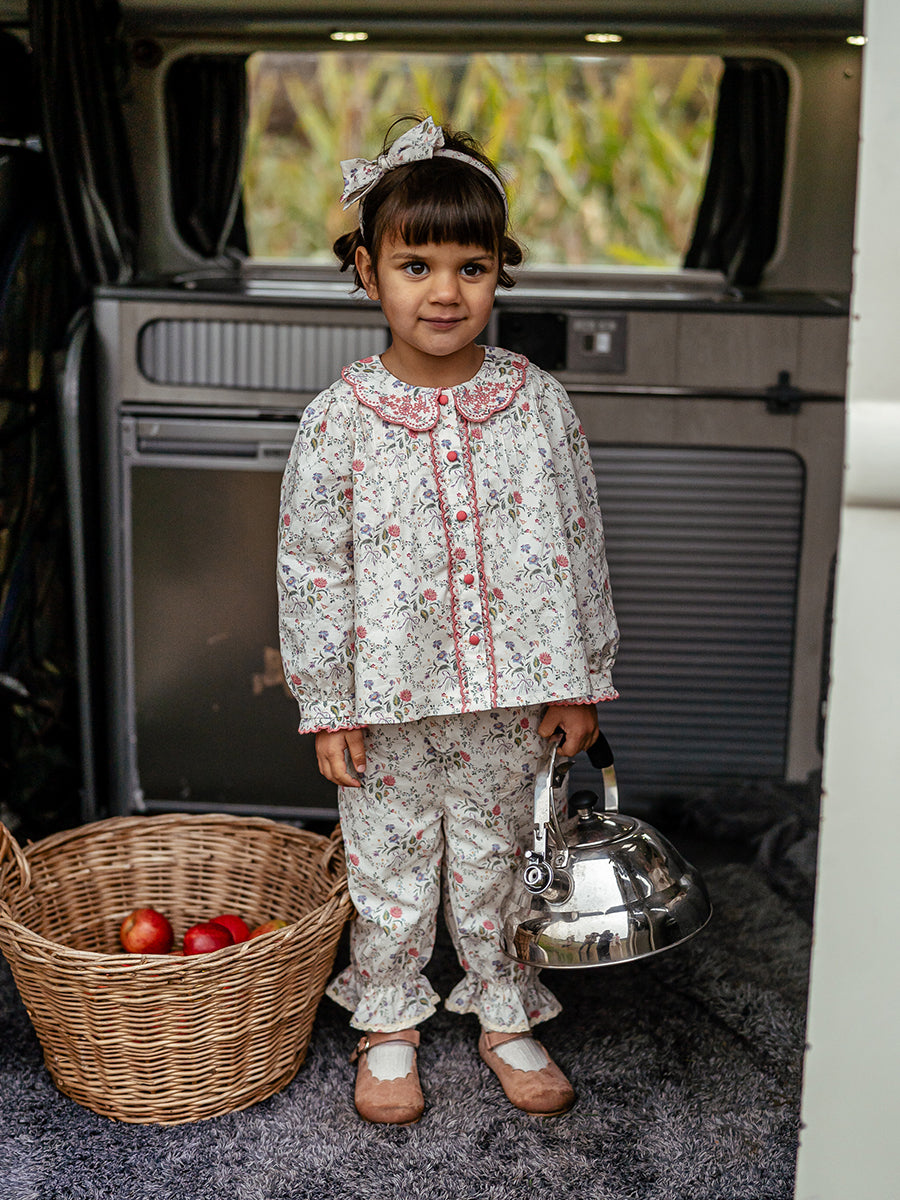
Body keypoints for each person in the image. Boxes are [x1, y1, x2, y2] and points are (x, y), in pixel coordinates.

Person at [277, 115, 618, 1125]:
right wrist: (328, 704)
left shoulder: (537, 404)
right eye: (415, 264)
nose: (444, 291)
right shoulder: (338, 418)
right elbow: (311, 569)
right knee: (385, 861)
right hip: (386, 700)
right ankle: (387, 1020)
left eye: (471, 267)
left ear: (500, 271)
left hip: (512, 700)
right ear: (367, 271)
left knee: (502, 855)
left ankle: (505, 1010)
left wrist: (579, 681)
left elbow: (581, 545)